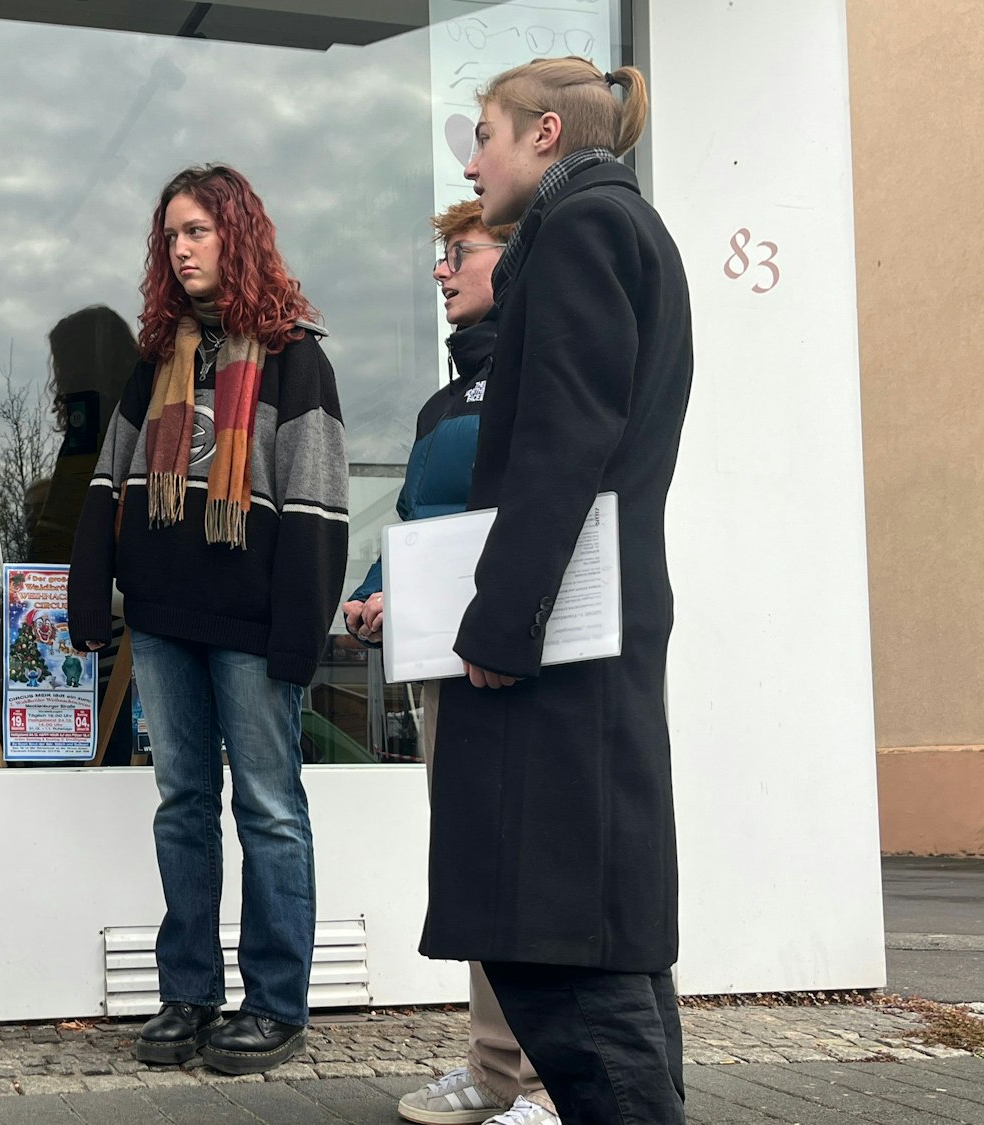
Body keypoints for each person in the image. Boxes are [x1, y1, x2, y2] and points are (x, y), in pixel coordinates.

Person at [426, 59, 694, 1125]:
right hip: (592, 625)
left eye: (482, 134)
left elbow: (562, 442)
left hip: (558, 640)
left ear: (543, 132)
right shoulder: (618, 225)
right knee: (598, 938)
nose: (471, 158)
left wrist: (501, 619)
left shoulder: (578, 229)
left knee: (557, 944)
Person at [68, 164, 348, 1076]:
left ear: (238, 235)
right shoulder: (156, 361)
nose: (181, 248)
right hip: (163, 617)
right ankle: (188, 992)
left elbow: (315, 506)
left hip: (253, 622)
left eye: (198, 231)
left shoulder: (298, 358)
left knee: (269, 808)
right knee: (182, 805)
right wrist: (89, 594)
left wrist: (301, 632)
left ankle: (276, 1003)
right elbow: (110, 481)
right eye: (171, 235)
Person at [341, 199, 557, 1125]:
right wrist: (371, 587)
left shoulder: (543, 370)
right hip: (444, 657)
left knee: (535, 862)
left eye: (457, 254)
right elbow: (424, 527)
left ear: (511, 259)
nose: (441, 271)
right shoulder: (443, 400)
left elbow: (532, 514)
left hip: (517, 652)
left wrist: (428, 599)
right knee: (475, 861)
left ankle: (553, 1082)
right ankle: (495, 1069)